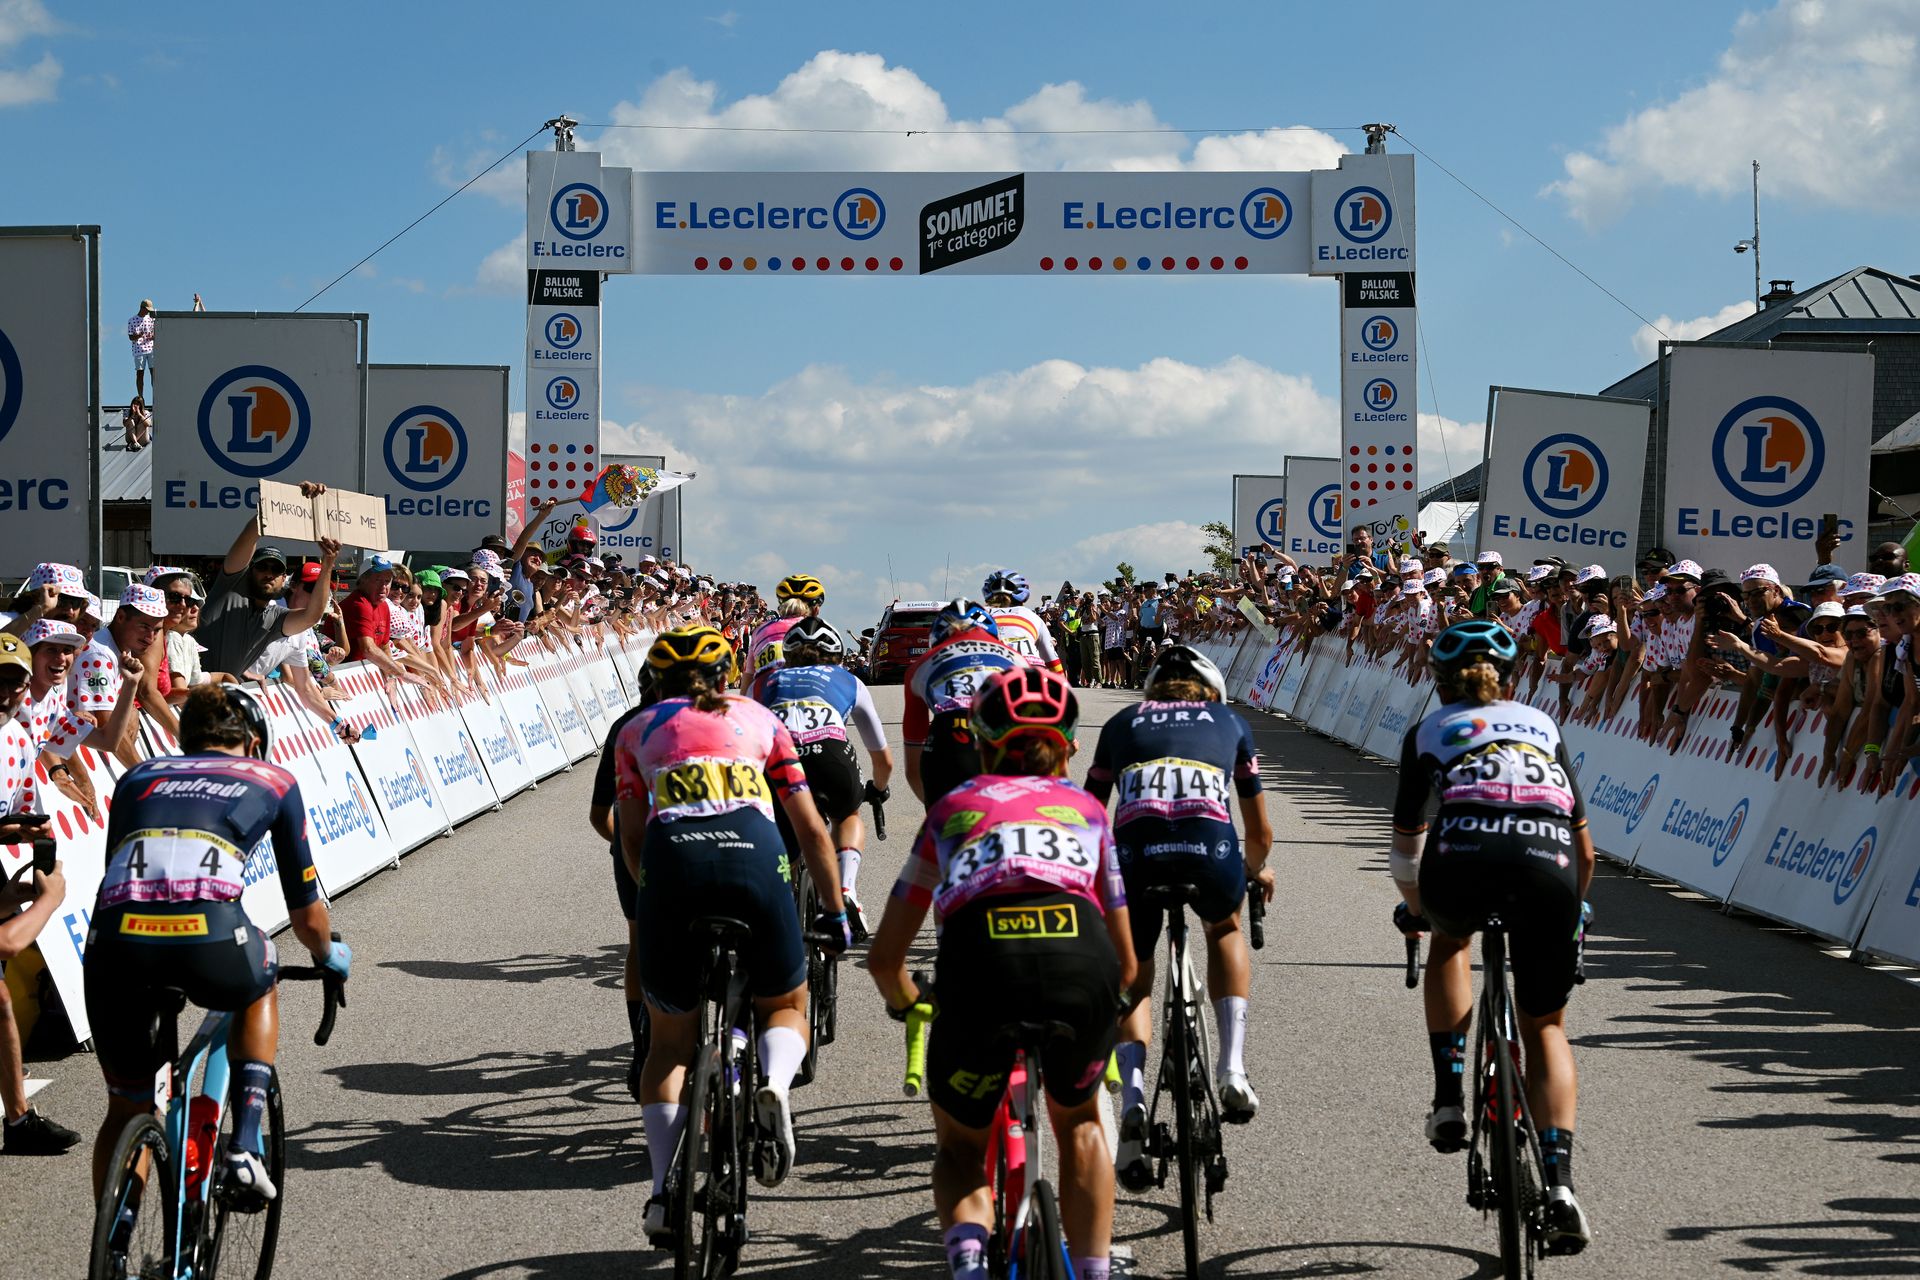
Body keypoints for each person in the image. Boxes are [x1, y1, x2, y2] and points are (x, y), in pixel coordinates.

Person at [870, 667, 1137, 1280]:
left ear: (981, 744)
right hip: (1079, 965)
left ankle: (968, 1268)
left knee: (961, 1146)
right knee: (1081, 1122)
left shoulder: (953, 810)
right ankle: (1093, 1270)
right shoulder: (1086, 812)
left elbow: (885, 958)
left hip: (981, 968)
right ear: (1068, 748)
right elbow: (1126, 961)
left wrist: (910, 1002)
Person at [614, 627, 848, 1245]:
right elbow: (811, 830)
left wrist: (654, 895)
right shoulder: (760, 718)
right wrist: (833, 911)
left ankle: (663, 1191)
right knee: (787, 1003)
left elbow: (631, 838)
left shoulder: (635, 730)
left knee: (670, 1046)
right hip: (754, 858)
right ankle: (773, 1084)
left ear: (656, 683)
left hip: (673, 866)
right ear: (726, 677)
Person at [84, 686, 351, 1207]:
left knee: (128, 1105)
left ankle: (114, 1239)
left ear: (186, 741)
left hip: (116, 944)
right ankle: (245, 1147)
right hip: (208, 939)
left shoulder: (139, 777)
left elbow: (120, 873)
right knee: (263, 969)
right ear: (253, 744)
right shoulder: (273, 779)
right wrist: (328, 956)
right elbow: (305, 915)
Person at [1388, 621, 1595, 1255]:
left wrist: (1418, 910)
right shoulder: (1542, 724)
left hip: (1463, 862)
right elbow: (1586, 850)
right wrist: (1576, 910)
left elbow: (1406, 846)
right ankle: (1560, 1185)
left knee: (1450, 942)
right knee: (1547, 1027)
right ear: (1511, 678)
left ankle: (1449, 1098)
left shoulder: (1427, 730)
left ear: (1440, 682)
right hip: (1548, 869)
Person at [1084, 644, 1274, 1185]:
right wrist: (1256, 870)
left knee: (1136, 972)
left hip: (1136, 856)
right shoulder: (1230, 722)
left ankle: (1133, 1099)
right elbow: (1258, 831)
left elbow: (1089, 812)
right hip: (1208, 851)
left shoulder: (1122, 723)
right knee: (1225, 927)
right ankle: (1232, 1066)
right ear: (1211, 692)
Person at [753, 615, 894, 937]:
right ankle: (845, 888)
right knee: (847, 816)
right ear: (837, 654)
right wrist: (877, 789)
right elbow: (882, 758)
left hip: (779, 759)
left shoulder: (764, 681)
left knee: (782, 836)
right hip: (830, 756)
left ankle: (779, 913)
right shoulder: (849, 680)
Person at [0, 631, 83, 1155]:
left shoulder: (16, 737)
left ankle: (18, 1122)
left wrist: (32, 836)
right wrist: (49, 898)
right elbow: (9, 944)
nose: (6, 692)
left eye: (15, 683)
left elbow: (19, 815)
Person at [589, 666, 661, 1101]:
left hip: (639, 843)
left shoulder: (625, 727)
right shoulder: (719, 718)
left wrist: (622, 849)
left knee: (639, 938)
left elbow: (599, 816)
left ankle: (641, 1048)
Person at [194, 498, 340, 676]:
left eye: (276, 570)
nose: (269, 574)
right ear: (250, 571)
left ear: (284, 579)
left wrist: (328, 563)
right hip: (191, 690)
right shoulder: (229, 588)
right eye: (262, 567)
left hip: (225, 691)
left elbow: (311, 617)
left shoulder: (275, 617)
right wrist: (283, 498)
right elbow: (249, 536)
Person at [902, 599, 1025, 806]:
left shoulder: (918, 667)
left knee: (947, 820)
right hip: (1004, 725)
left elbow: (913, 770)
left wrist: (936, 810)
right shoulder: (1017, 657)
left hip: (952, 732)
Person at [745, 573, 826, 685]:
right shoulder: (821, 631)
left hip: (768, 692)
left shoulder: (760, 631)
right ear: (816, 609)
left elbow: (748, 677)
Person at [982, 570, 1064, 673]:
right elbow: (1053, 663)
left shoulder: (978, 613)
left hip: (990, 671)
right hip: (1028, 672)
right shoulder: (1031, 616)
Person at [127, 299, 155, 401]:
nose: (148, 312)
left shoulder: (151, 319)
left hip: (151, 349)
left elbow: (156, 333)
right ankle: (140, 397)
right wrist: (139, 335)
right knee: (140, 373)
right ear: (142, 308)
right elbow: (130, 337)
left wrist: (153, 336)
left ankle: (156, 395)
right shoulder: (132, 320)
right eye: (147, 310)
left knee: (154, 372)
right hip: (139, 350)